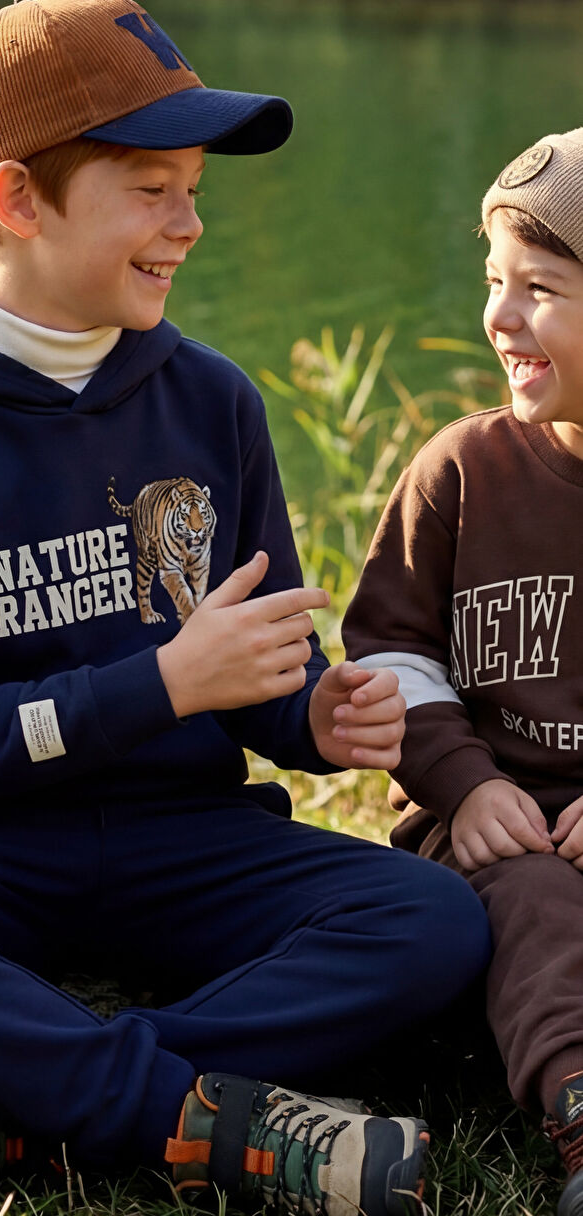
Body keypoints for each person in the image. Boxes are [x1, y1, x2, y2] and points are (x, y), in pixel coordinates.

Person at [0, 0, 490, 1215]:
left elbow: (261, 669)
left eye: (194, 188)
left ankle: (21, 1109)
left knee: (428, 919)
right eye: (152, 190)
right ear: (15, 200)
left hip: (180, 842)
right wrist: (158, 684)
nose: (190, 225)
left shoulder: (212, 402)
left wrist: (314, 718)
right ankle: (187, 1114)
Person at [343, 127, 583, 1216]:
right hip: (484, 825)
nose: (499, 316)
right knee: (532, 898)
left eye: (539, 288)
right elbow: (390, 647)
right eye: (494, 281)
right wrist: (463, 780)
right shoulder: (460, 472)